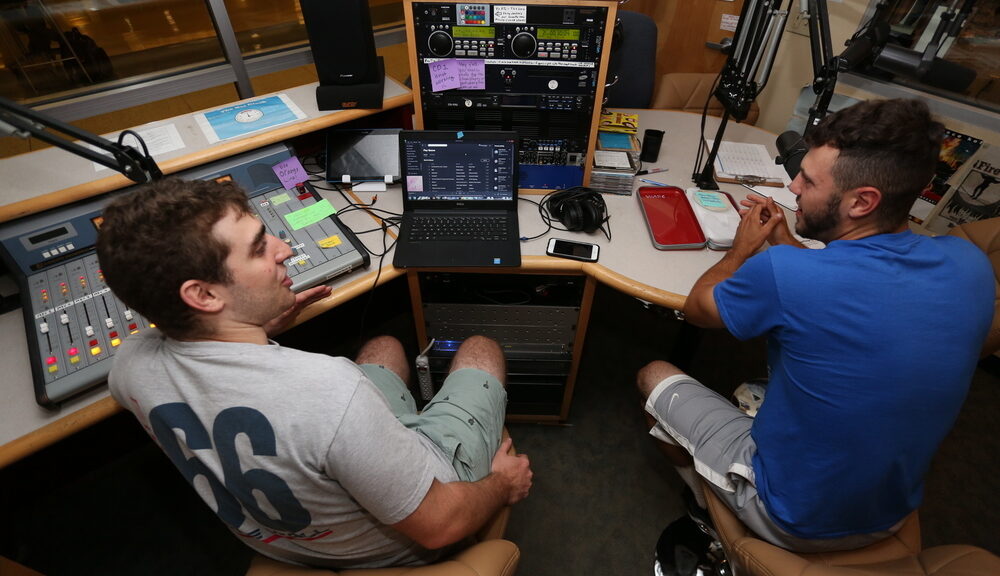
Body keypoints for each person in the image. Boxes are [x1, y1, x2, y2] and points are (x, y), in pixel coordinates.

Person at [96, 178, 532, 569]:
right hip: (401, 543)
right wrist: (501, 483)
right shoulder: (330, 390)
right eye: (258, 248)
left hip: (286, 544)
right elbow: (438, 525)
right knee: (479, 349)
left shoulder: (129, 368)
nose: (283, 249)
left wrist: (259, 326)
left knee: (385, 347)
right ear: (204, 294)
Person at [637, 98, 993, 552]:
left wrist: (741, 250)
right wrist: (789, 242)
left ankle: (704, 504)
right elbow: (866, 298)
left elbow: (698, 309)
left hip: (793, 516)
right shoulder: (970, 264)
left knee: (654, 375)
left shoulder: (787, 274)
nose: (793, 185)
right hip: (892, 507)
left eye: (808, 180)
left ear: (862, 201)